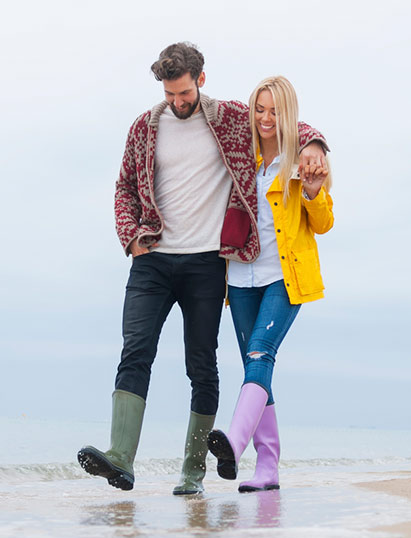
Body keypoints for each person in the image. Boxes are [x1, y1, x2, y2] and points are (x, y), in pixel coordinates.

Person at [76, 42, 329, 495]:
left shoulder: (229, 119)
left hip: (208, 264)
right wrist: (132, 238)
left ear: (201, 80)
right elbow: (123, 189)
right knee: (135, 350)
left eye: (184, 93)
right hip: (152, 259)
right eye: (170, 94)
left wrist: (313, 144)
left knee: (202, 365)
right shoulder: (143, 128)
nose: (177, 102)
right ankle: (120, 457)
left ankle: (192, 472)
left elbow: (281, 122)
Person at [207, 76, 334, 492]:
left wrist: (314, 193)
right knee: (254, 369)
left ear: (289, 114)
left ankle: (235, 441)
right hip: (241, 277)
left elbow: (324, 224)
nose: (265, 118)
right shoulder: (241, 157)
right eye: (259, 109)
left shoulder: (303, 162)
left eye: (275, 110)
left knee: (261, 354)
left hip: (284, 277)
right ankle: (268, 470)